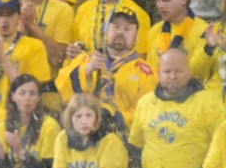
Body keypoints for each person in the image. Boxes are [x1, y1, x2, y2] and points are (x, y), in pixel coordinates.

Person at [125, 49, 226, 168]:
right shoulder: (145, 103)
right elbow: (135, 146)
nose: (172, 76)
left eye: (178, 71)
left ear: (189, 73)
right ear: (159, 74)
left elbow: (224, 145)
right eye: (167, 72)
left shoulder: (209, 102)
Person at [56, 7, 156, 135]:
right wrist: (87, 69)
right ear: (105, 31)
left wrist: (113, 119)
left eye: (127, 29)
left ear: (136, 36)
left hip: (122, 137)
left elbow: (146, 110)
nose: (121, 32)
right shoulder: (85, 59)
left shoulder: (147, 73)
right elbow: (62, 86)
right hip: (83, 134)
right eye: (115, 27)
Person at [52, 93, 129, 168]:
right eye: (78, 116)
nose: (84, 121)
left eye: (89, 115)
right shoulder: (62, 138)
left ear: (97, 118)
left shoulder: (110, 140)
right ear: (70, 119)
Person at [0, 74, 61, 168]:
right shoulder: (3, 127)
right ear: (13, 96)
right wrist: (1, 158)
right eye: (22, 93)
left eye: (32, 93)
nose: (27, 98)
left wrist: (21, 152)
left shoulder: (49, 126)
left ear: (38, 98)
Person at [70, 0, 150, 59]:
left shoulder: (137, 13)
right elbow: (76, 45)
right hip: (84, 72)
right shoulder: (84, 8)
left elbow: (139, 58)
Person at [146, 0, 209, 73]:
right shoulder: (155, 30)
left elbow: (200, 72)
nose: (160, 6)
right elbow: (149, 71)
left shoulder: (203, 30)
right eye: (157, 0)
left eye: (166, 0)